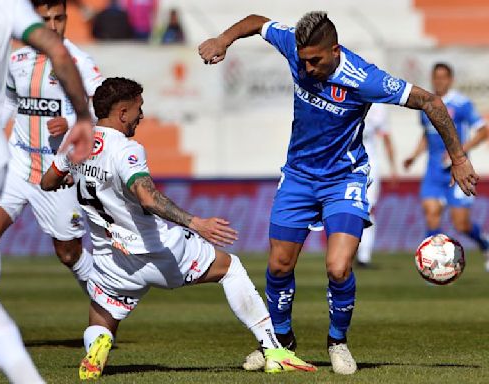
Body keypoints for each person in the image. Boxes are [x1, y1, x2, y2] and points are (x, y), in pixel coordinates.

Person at [198, 12, 478, 375]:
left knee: (338, 265)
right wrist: (223, 40)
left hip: (344, 180)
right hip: (298, 176)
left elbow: (431, 103)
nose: (308, 68)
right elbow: (256, 21)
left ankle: (337, 342)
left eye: (316, 60)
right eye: (303, 61)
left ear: (334, 50)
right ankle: (280, 344)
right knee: (279, 265)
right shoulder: (294, 46)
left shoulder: (366, 79)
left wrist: (458, 157)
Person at [41, 77, 316, 379]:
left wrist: (77, 178)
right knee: (230, 268)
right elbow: (147, 197)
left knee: (103, 314)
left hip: (112, 258)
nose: (141, 116)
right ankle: (274, 350)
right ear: (121, 112)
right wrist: (195, 222)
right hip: (155, 249)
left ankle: (99, 343)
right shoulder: (127, 150)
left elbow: (48, 181)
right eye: (137, 109)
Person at [0, 0, 93, 382]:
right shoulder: (17, 59)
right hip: (17, 164)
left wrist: (75, 119)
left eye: (59, 18)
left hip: (57, 173)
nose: (54, 25)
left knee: (68, 252)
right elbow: (10, 99)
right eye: (46, 19)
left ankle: (106, 310)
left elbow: (100, 110)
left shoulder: (78, 62)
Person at [403, 63, 489, 271]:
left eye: (443, 77)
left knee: (461, 225)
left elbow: (483, 131)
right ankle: (434, 265)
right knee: (431, 213)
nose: (439, 81)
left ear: (450, 79)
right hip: (433, 172)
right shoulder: (426, 103)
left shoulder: (462, 104)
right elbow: (427, 134)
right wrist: (413, 156)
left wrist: (458, 152)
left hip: (457, 173)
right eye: (436, 77)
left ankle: (485, 244)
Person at [357, 103, 397, 267]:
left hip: (369, 165)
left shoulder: (378, 106)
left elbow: (386, 137)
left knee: (368, 209)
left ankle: (363, 256)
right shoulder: (343, 95)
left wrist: (393, 167)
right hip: (344, 164)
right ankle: (349, 250)